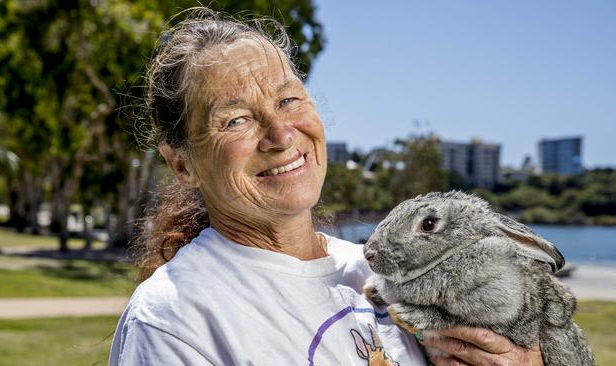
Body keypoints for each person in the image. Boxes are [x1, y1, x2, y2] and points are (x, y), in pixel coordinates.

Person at [110, 8, 544, 366]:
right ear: (182, 163)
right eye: (236, 120)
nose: (281, 135)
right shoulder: (175, 321)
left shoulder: (383, 271)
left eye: (287, 101)